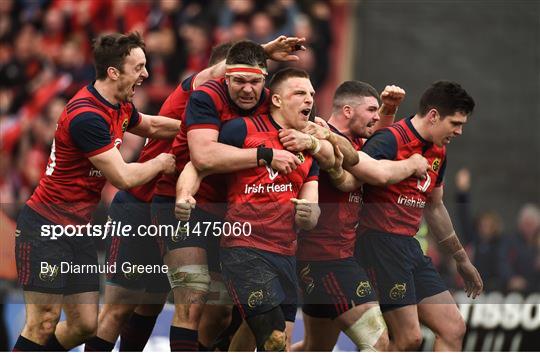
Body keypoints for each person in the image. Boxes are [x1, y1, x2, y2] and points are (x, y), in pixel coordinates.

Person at [13, 32, 179, 351]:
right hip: (46, 227)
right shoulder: (87, 116)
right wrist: (161, 162)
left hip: (79, 229)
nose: (146, 74)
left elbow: (155, 127)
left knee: (85, 325)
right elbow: (124, 177)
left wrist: (202, 128)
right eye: (139, 67)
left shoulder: (120, 105)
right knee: (44, 321)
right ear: (114, 72)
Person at [151, 38, 307, 351]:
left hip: (227, 214)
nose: (248, 90)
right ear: (226, 78)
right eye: (239, 81)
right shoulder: (206, 96)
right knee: (191, 300)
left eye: (255, 82)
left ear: (265, 80)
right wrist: (264, 155)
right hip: (183, 204)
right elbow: (203, 158)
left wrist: (316, 139)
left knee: (221, 313)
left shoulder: (270, 102)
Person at [83, 42, 233, 352]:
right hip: (139, 208)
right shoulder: (194, 92)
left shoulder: (228, 114)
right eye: (236, 75)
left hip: (176, 215)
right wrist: (265, 50)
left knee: (153, 306)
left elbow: (155, 125)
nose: (245, 85)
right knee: (118, 308)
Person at [289, 81, 429, 351]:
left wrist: (388, 110)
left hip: (325, 260)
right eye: (372, 110)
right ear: (348, 111)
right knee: (378, 343)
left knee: (314, 348)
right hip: (328, 260)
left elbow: (376, 148)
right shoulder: (320, 135)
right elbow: (376, 171)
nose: (377, 117)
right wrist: (412, 164)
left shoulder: (356, 142)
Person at [356, 81, 483, 351]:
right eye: (455, 123)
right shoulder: (390, 139)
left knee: (453, 328)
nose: (459, 131)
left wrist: (461, 259)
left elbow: (435, 207)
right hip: (378, 245)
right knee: (408, 339)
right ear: (434, 116)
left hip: (409, 248)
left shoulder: (439, 151)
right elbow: (352, 175)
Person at [216, 67, 320, 352]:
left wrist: (310, 214)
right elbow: (202, 162)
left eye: (311, 93)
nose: (309, 99)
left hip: (286, 255)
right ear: (276, 99)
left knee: (264, 339)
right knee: (274, 340)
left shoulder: (310, 146)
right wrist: (184, 194)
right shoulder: (243, 129)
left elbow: (312, 205)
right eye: (300, 93)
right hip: (245, 248)